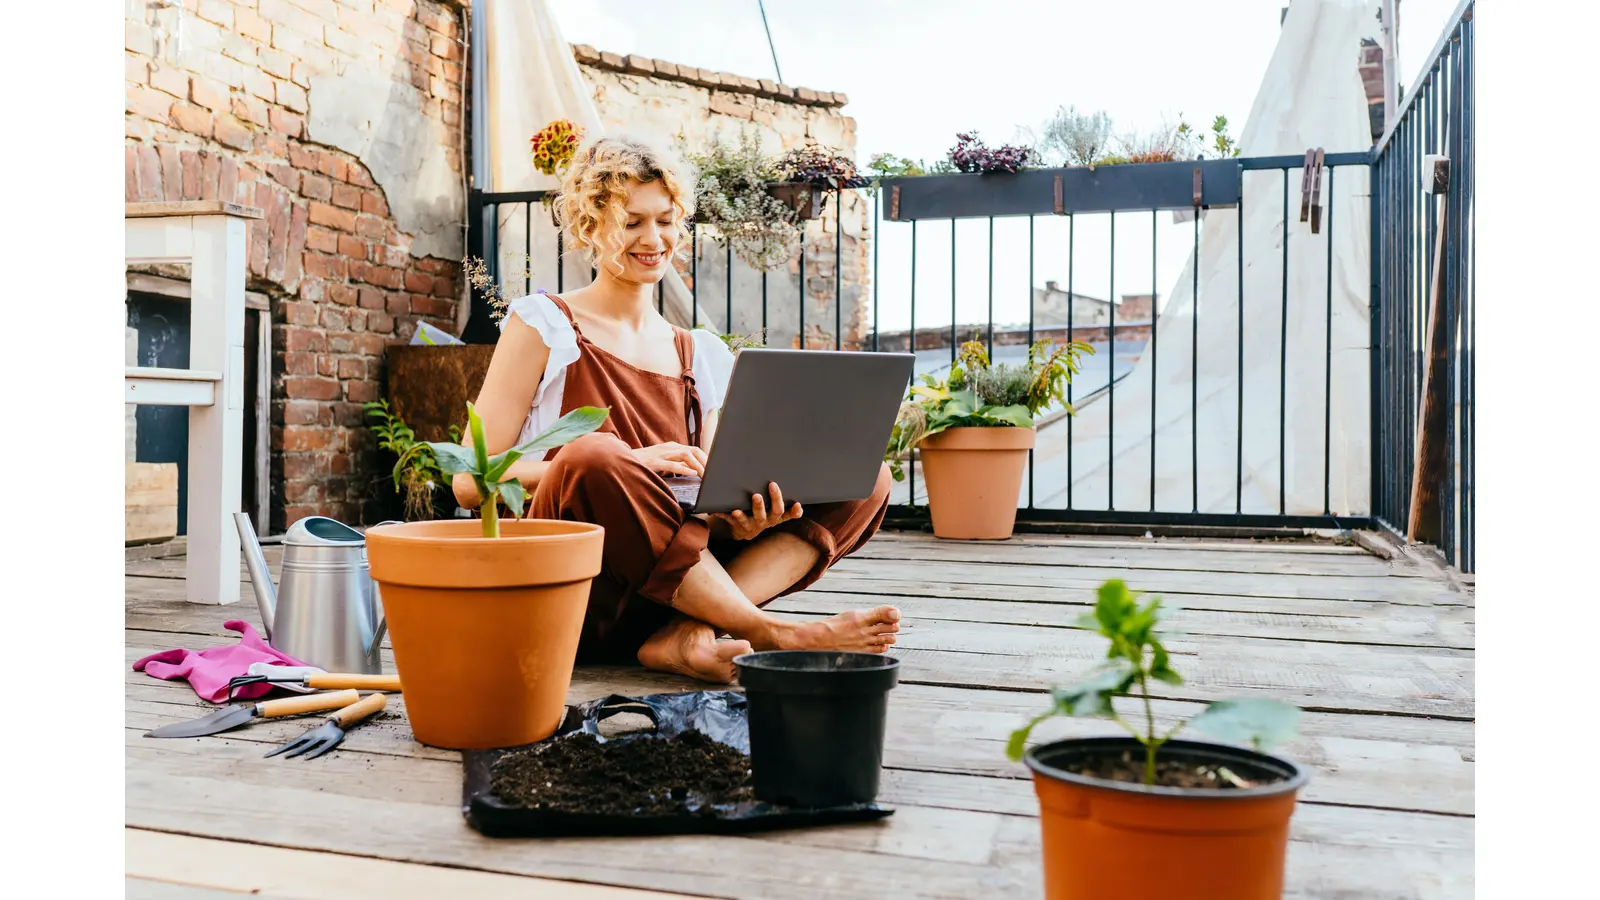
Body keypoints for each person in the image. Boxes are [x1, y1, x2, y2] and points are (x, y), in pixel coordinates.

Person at [453, 136, 899, 684]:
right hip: (579, 593)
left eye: (665, 220)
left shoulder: (698, 352)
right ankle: (766, 631)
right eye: (632, 222)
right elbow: (471, 482)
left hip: (671, 591)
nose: (653, 239)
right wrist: (632, 465)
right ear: (589, 228)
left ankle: (687, 633)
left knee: (867, 479)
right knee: (594, 455)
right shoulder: (543, 324)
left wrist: (743, 515)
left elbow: (706, 504)